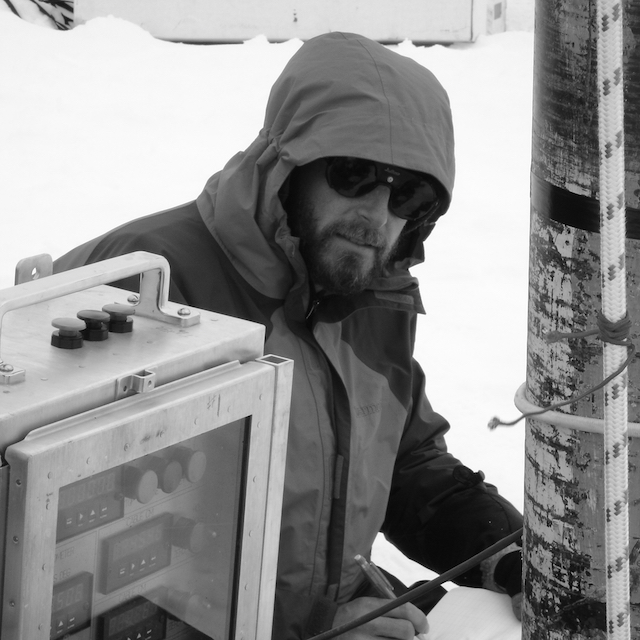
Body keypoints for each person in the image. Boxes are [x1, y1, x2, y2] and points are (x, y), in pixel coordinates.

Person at [55, 32, 523, 639]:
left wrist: (512, 556)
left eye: (409, 192)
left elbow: (408, 467)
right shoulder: (145, 286)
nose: (377, 216)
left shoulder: (369, 295)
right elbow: (76, 576)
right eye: (354, 174)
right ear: (288, 162)